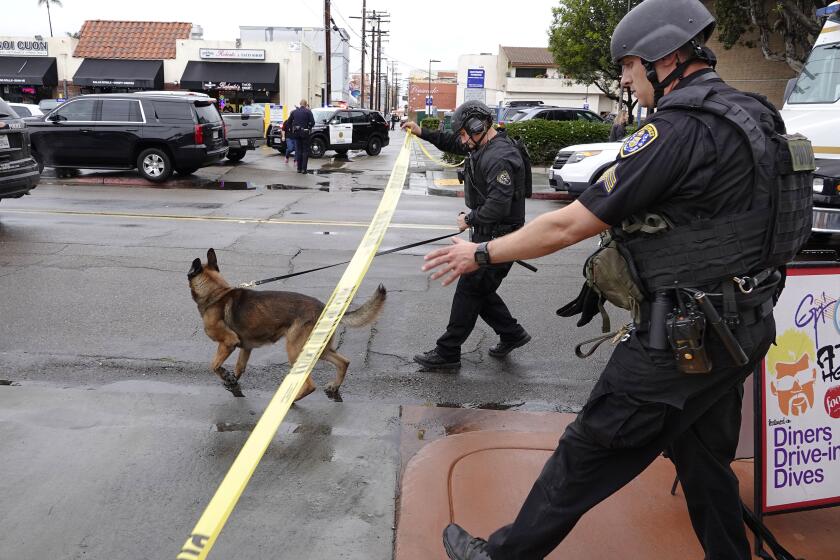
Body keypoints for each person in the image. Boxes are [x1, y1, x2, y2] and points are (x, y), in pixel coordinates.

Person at [425, 0, 814, 558]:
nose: (628, 80)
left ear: (665, 57)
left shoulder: (677, 130)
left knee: (589, 448)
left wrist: (482, 252)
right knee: (703, 459)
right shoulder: (756, 114)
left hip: (684, 338)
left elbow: (568, 224)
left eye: (630, 66)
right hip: (748, 328)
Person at [402, 100, 531, 370]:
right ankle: (512, 333)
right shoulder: (479, 143)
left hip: (500, 239)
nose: (462, 139)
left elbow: (498, 205)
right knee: (480, 291)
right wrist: (420, 131)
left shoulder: (500, 157)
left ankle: (448, 351)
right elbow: (452, 143)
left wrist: (468, 219)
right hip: (487, 235)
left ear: (478, 126)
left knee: (470, 289)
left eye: (464, 133)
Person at [287, 99, 314, 174]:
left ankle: (298, 169)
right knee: (305, 151)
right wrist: (309, 127)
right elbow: (313, 122)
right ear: (306, 104)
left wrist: (292, 129)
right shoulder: (308, 111)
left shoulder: (294, 112)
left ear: (300, 104)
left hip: (296, 133)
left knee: (298, 151)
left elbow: (288, 122)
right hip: (305, 133)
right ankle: (303, 169)